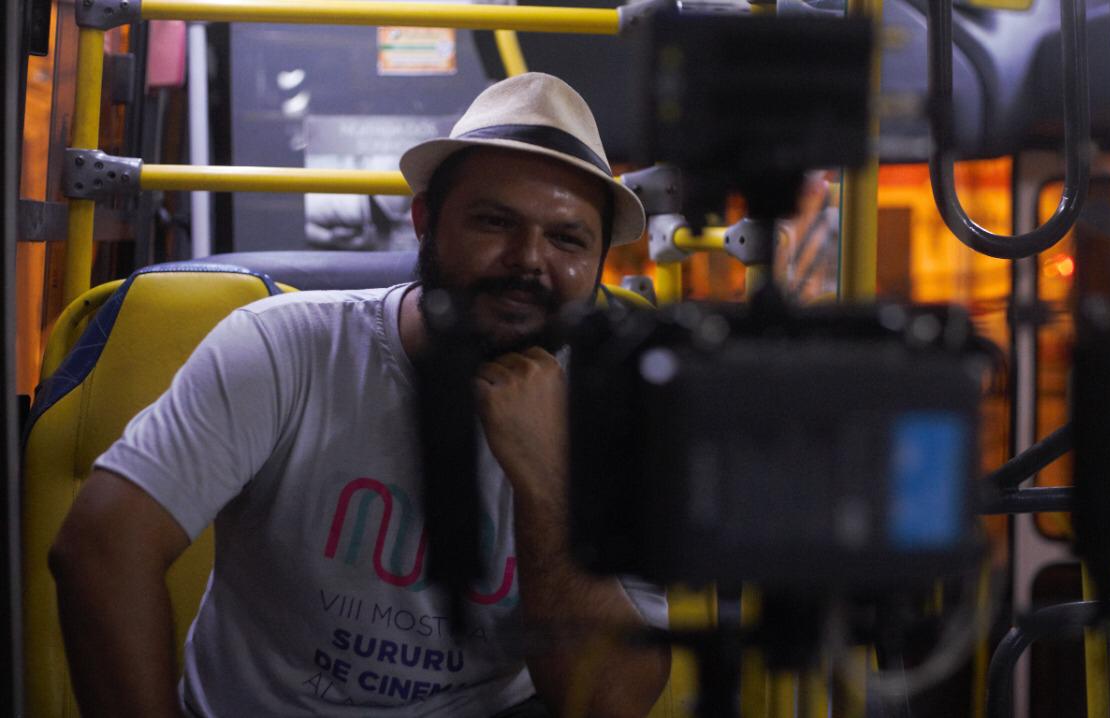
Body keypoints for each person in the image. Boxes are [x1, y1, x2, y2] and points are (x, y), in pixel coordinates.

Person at [48, 73, 670, 717]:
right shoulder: (286, 349)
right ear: (426, 222)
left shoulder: (621, 412)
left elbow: (611, 703)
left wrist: (545, 481)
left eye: (567, 239)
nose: (529, 260)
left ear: (599, 262)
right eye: (494, 221)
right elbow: (99, 548)